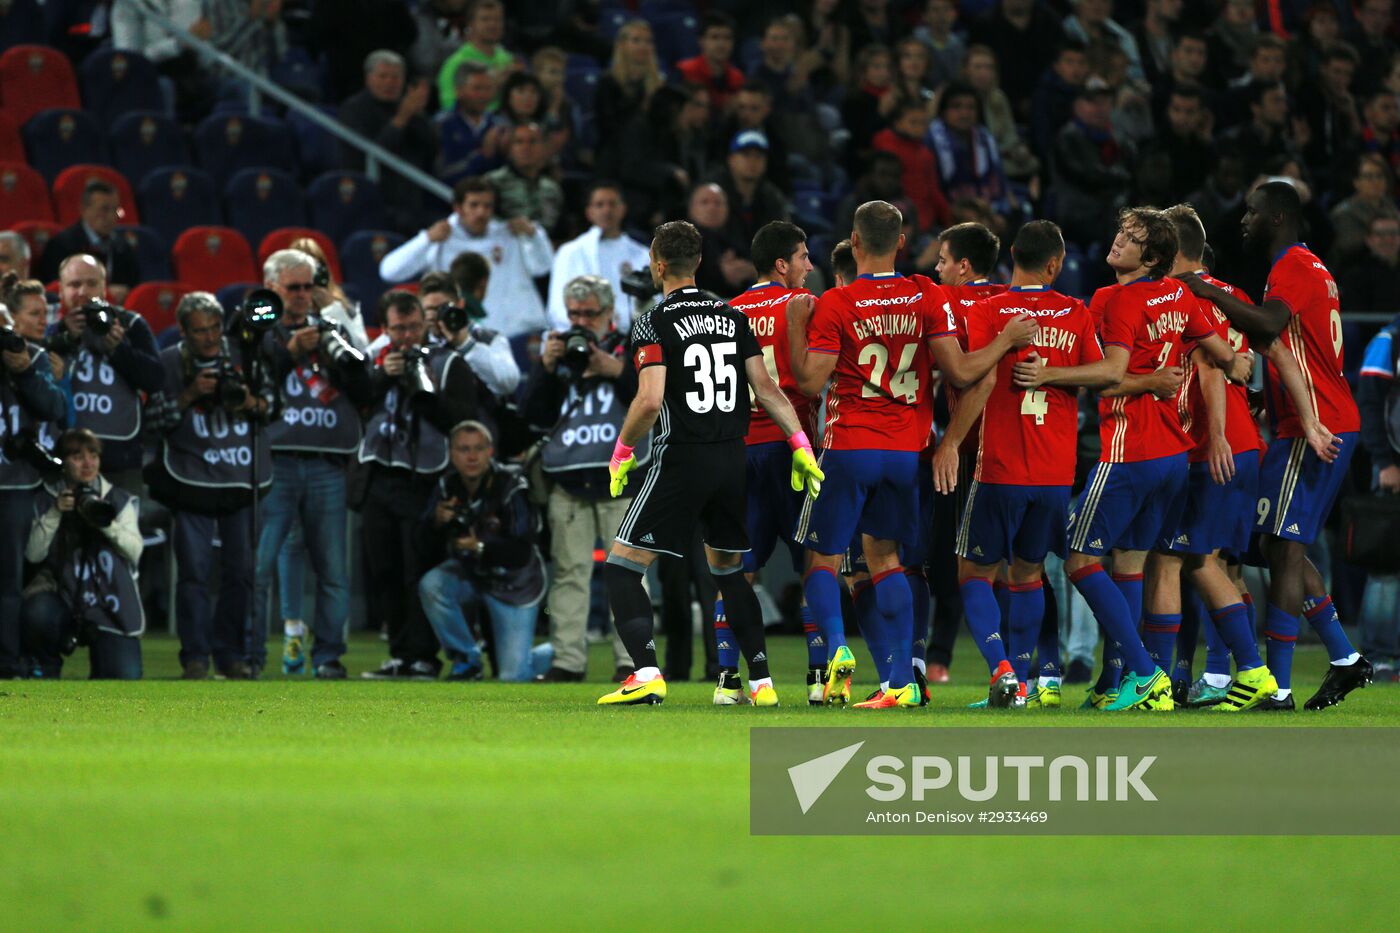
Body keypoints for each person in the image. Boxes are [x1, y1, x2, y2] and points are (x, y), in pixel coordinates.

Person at [787, 200, 1036, 708]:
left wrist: (795, 325)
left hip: (850, 445)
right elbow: (964, 373)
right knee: (887, 559)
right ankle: (902, 679)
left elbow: (810, 381)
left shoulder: (837, 303)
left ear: (854, 243)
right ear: (901, 243)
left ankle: (837, 649)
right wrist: (1008, 339)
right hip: (905, 454)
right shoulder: (926, 293)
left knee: (823, 558)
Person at [598, 220, 824, 706]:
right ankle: (763, 685)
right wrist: (801, 444)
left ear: (658, 265)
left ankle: (645, 674)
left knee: (622, 566)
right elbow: (767, 390)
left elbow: (649, 400)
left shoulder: (652, 322)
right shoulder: (732, 316)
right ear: (699, 262)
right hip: (731, 460)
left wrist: (622, 452)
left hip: (681, 459)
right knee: (728, 571)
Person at [1182, 181, 1371, 710]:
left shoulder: (1292, 266)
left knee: (1283, 548)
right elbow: (1292, 346)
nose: (1245, 219)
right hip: (1315, 417)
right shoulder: (1308, 267)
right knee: (1273, 544)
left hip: (1320, 425)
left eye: (1252, 212)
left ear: (1280, 216)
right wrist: (1270, 395)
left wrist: (1208, 291)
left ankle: (1280, 688)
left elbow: (1269, 324)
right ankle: (1344, 658)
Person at [1044, 207, 1237, 711]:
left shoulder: (1120, 299)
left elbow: (1109, 374)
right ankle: (1118, 683)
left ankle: (1146, 673)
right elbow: (1223, 352)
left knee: (1079, 559)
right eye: (1120, 233)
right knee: (1129, 564)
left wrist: (1048, 377)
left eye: (1130, 239)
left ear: (1150, 257)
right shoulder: (1179, 294)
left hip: (1128, 452)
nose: (1117, 243)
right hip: (1174, 455)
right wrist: (1244, 363)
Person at [944, 221, 1108, 707]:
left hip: (999, 468)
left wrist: (951, 442)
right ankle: (1033, 681)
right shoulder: (1075, 312)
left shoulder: (990, 311)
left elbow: (979, 383)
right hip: (1056, 474)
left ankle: (1003, 671)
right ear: (1056, 264)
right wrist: (1058, 375)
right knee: (1029, 575)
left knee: (973, 574)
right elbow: (1106, 373)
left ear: (1013, 254)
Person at [1148, 205, 1274, 710]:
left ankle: (1249, 672)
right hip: (1245, 445)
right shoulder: (1235, 296)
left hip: (1212, 446)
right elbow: (1252, 362)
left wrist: (1216, 434)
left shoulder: (1180, 298)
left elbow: (1211, 369)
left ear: (1169, 251)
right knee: (1223, 565)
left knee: (1196, 560)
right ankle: (1220, 677)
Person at [252, 250, 372, 681]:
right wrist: (288, 351)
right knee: (260, 565)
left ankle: (328, 657)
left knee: (333, 570)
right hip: (276, 462)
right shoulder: (257, 330)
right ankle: (250, 658)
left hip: (327, 462)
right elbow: (252, 378)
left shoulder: (332, 330)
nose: (303, 296)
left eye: (308, 287)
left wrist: (336, 344)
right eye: (294, 288)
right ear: (272, 289)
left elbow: (365, 384)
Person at [145, 292, 275, 680]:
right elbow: (151, 420)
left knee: (241, 572)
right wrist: (190, 395)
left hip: (241, 475)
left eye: (215, 328)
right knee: (194, 573)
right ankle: (196, 656)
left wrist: (250, 402)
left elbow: (273, 405)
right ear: (183, 331)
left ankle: (230, 654)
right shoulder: (167, 362)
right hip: (192, 478)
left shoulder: (245, 357)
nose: (209, 337)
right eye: (199, 330)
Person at [357, 292, 486, 680]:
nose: (407, 336)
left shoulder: (448, 364)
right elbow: (356, 401)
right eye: (398, 328)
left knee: (418, 569)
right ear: (385, 329)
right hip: (380, 476)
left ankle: (424, 656)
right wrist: (383, 377)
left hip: (425, 481)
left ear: (424, 324)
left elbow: (462, 421)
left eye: (413, 327)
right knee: (385, 571)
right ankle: (399, 653)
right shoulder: (375, 361)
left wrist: (420, 387)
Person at [718, 221, 821, 705]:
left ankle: (727, 682)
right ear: (781, 264)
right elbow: (816, 378)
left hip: (741, 451)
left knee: (738, 573)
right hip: (793, 447)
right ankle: (820, 680)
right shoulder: (803, 307)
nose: (808, 266)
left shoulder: (728, 314)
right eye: (803, 257)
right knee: (815, 566)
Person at [523, 275, 638, 683]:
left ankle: (632, 661)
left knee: (627, 574)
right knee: (570, 573)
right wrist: (546, 367)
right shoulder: (558, 349)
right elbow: (532, 414)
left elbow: (654, 398)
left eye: (590, 313)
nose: (582, 322)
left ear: (610, 313)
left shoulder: (631, 344)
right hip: (567, 478)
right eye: (575, 314)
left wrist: (616, 370)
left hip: (622, 476)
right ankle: (567, 661)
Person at [925, 222, 1008, 684]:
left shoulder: (948, 302)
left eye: (942, 260)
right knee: (1022, 569)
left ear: (964, 266)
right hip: (1016, 454)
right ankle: (1042, 670)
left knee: (944, 561)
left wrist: (950, 442)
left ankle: (931, 659)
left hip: (960, 453)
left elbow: (966, 377)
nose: (937, 268)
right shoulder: (1012, 302)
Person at [418, 421, 547, 681]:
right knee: (432, 585)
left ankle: (554, 655)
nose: (472, 456)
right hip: (473, 574)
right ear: (451, 453)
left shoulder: (511, 484)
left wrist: (480, 546)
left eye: (479, 448)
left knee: (513, 677)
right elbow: (418, 545)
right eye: (464, 449)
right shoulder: (447, 486)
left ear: (490, 451)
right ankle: (466, 659)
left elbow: (522, 550)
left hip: (516, 585)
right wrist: (435, 522)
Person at [21, 428, 144, 680]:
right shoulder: (46, 498)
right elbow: (32, 554)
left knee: (124, 676)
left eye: (93, 455)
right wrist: (56, 512)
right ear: (63, 463)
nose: (88, 463)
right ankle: (44, 667)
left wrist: (105, 522)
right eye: (77, 456)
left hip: (108, 599)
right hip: (62, 594)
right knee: (37, 613)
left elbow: (134, 551)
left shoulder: (117, 500)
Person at [47, 255, 165, 496]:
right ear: (60, 290)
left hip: (121, 456)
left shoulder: (130, 324)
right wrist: (62, 338)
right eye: (74, 285)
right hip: (64, 456)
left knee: (122, 532)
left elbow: (155, 379)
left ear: (104, 287)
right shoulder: (49, 328)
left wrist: (118, 349)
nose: (83, 292)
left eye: (91, 284)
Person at [378, 177, 554, 338]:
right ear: (458, 208)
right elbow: (390, 271)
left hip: (514, 332)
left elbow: (544, 267)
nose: (481, 213)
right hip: (459, 332)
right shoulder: (441, 237)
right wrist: (426, 239)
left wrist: (533, 235)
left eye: (487, 206)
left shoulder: (507, 232)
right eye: (474, 205)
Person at [0, 297, 66, 678]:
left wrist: (24, 371)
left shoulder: (33, 357)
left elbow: (55, 408)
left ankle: (7, 663)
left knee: (9, 582)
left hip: (15, 484)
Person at [337, 50, 437, 235]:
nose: (390, 83)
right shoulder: (354, 110)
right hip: (374, 198)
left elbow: (432, 148)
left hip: (414, 198)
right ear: (368, 78)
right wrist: (401, 119)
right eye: (383, 76)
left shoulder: (408, 107)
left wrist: (417, 116)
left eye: (395, 77)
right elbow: (371, 155)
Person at [1357, 309, 1400, 681]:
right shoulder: (1388, 341)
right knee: (1387, 566)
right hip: (1394, 467)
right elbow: (1369, 405)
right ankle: (1380, 656)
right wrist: (1384, 461)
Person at [547, 182, 650, 332]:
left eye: (612, 204)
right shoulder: (570, 252)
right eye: (599, 205)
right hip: (584, 334)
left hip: (632, 339)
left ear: (623, 209)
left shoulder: (642, 254)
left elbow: (654, 303)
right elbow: (557, 305)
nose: (606, 210)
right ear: (589, 212)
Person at [1051, 80, 1135, 249]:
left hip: (1110, 210)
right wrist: (1120, 177)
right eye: (1092, 102)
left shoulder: (1119, 139)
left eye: (1104, 102)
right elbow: (1087, 175)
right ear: (1077, 106)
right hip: (1077, 213)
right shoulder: (1068, 137)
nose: (1099, 108)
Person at [418, 266, 519, 402]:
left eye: (443, 308)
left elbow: (509, 384)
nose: (437, 316)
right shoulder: (413, 341)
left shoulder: (488, 339)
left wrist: (465, 344)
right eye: (430, 309)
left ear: (460, 304)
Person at [37, 182, 139, 301]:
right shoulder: (61, 245)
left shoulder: (123, 247)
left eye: (116, 210)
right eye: (104, 209)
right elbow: (55, 290)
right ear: (84, 210)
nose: (112, 216)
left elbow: (134, 285)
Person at [872, 99, 950, 235]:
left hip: (926, 221)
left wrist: (949, 220)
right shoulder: (885, 144)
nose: (920, 127)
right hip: (898, 222)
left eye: (923, 123)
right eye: (913, 122)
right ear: (898, 122)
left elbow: (933, 191)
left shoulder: (926, 154)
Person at [706, 131, 791, 251]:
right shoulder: (711, 193)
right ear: (731, 159)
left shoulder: (771, 196)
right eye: (746, 154)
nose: (752, 161)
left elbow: (782, 240)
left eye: (758, 156)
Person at [484, 123, 564, 237]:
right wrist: (506, 226)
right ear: (510, 149)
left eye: (533, 141)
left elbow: (561, 231)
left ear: (544, 148)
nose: (526, 147)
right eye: (519, 142)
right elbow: (483, 221)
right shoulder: (492, 182)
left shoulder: (552, 188)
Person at [435, 0, 515, 111]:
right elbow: (449, 107)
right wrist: (493, 88)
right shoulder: (455, 63)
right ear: (470, 24)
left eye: (498, 20)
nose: (492, 24)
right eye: (485, 19)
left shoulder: (508, 60)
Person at [437, 61, 507, 185]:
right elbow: (441, 173)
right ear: (458, 91)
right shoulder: (442, 125)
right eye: (477, 88)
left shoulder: (499, 125)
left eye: (488, 88)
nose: (483, 95)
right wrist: (482, 155)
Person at [594, 19, 663, 144]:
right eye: (636, 40)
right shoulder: (608, 83)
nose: (643, 46)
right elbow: (608, 128)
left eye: (648, 41)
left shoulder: (658, 85)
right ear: (622, 45)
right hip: (617, 153)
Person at [688, 183, 755, 297]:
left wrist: (751, 271)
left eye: (718, 203)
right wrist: (721, 274)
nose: (712, 208)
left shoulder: (742, 233)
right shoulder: (681, 239)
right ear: (691, 208)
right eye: (704, 202)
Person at [676, 12, 744, 113]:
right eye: (714, 37)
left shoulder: (737, 78)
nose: (721, 44)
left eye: (727, 38)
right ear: (701, 41)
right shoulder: (685, 72)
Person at [1338, 215, 1400, 312]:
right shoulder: (1355, 274)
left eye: (1393, 233)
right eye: (1380, 234)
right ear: (1368, 240)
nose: (1388, 239)